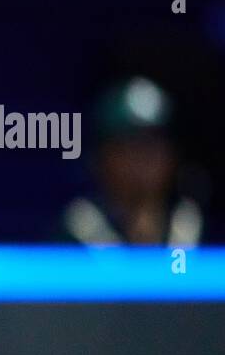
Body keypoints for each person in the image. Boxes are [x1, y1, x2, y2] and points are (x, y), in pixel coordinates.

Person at [58, 76, 204, 245]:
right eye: (130, 146)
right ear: (102, 157)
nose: (144, 159)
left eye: (154, 145)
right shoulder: (77, 227)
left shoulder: (191, 225)